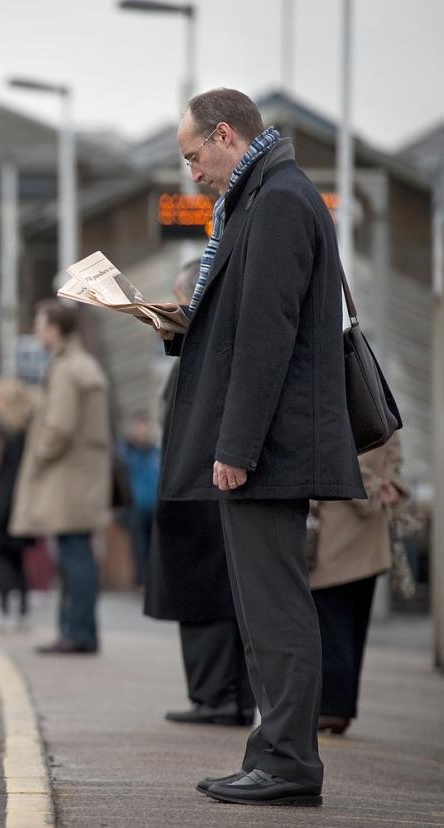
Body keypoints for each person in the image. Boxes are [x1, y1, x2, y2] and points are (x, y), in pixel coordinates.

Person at [161, 89, 364, 807]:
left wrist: (237, 444)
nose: (192, 175)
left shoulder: (276, 200)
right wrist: (175, 323)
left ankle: (287, 763)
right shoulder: (265, 193)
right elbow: (242, 317)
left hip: (270, 446)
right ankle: (273, 754)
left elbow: (268, 333)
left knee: (275, 606)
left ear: (224, 135)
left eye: (194, 157)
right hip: (272, 440)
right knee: (266, 604)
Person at [146, 260, 253, 727]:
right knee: (213, 594)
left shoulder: (212, 353)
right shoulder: (199, 351)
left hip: (200, 491)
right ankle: (221, 696)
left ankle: (217, 697)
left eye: (178, 300)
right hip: (198, 487)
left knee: (206, 594)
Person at [10, 300, 111, 654]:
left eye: (39, 324)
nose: (37, 331)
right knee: (75, 552)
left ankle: (77, 632)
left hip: (69, 477)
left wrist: (38, 457)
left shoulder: (67, 369)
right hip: (82, 476)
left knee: (73, 555)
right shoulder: (81, 364)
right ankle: (79, 630)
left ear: (54, 329)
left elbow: (60, 426)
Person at [310, 433, 406, 735]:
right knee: (352, 625)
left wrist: (375, 487)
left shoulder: (332, 390)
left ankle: (332, 708)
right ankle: (341, 707)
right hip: (369, 534)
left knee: (330, 622)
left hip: (336, 531)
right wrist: (388, 485)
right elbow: (392, 446)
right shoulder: (375, 390)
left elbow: (333, 451)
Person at [0, 378, 38, 631]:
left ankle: (4, 610)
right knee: (16, 556)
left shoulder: (5, 432)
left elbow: (3, 471)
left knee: (0, 553)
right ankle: (22, 610)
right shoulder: (27, 431)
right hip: (23, 498)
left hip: (4, 499)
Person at [119, 411, 160, 587]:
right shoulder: (126, 453)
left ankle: (154, 582)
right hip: (135, 507)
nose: (142, 431)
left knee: (155, 547)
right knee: (139, 546)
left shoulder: (156, 453)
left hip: (154, 506)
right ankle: (142, 581)